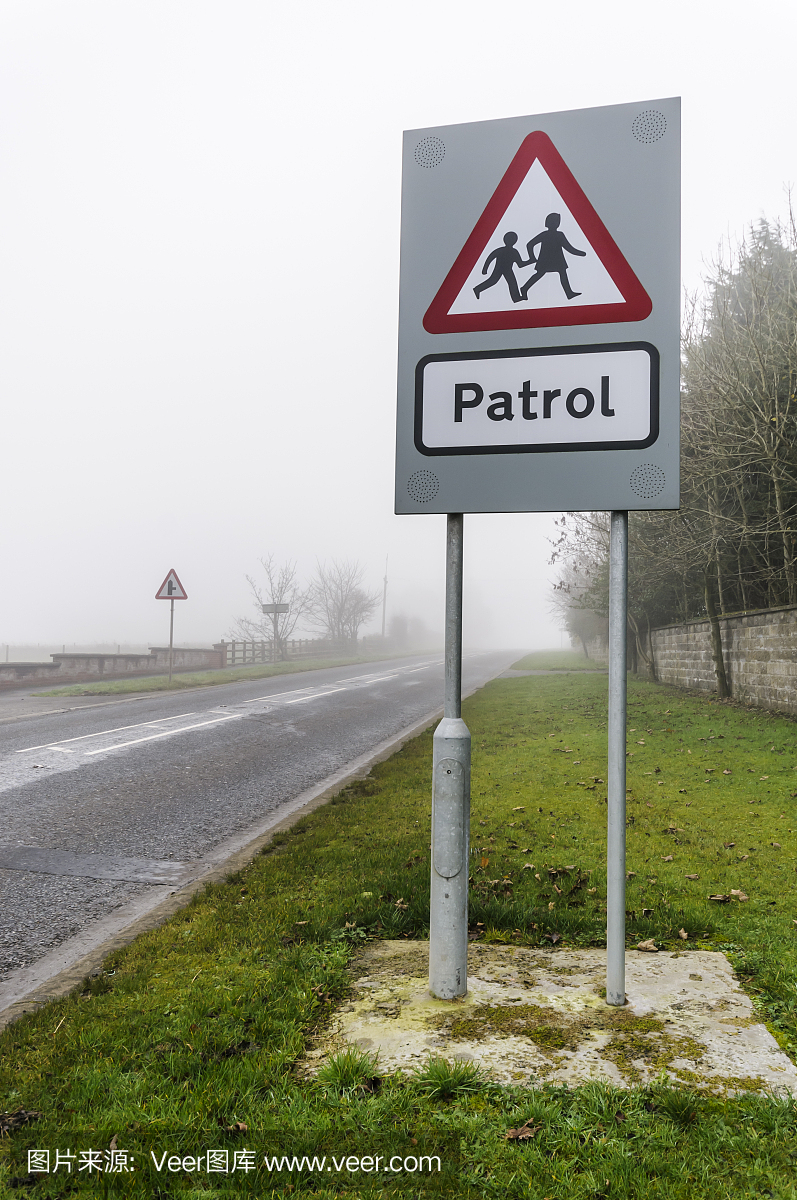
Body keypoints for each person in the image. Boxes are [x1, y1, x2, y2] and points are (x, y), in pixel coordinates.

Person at [519, 212, 586, 301]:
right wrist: (532, 257)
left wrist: (580, 253)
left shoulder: (557, 234)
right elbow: (530, 244)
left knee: (561, 273)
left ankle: (569, 293)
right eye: (556, 221)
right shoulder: (549, 234)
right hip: (548, 259)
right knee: (542, 274)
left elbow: (568, 247)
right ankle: (524, 288)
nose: (557, 223)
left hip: (556, 259)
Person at [473, 232, 524, 303]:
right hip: (499, 269)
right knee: (493, 281)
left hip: (508, 270)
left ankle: (516, 298)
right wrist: (485, 269)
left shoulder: (514, 252)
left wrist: (531, 261)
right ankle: (477, 289)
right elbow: (490, 258)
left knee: (512, 283)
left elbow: (520, 264)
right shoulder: (501, 250)